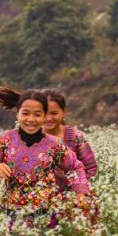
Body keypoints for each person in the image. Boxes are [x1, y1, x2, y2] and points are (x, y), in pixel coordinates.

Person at [0, 86, 90, 232]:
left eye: (37, 114)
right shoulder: (5, 139)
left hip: (45, 215)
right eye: (25, 113)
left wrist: (81, 192)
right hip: (12, 214)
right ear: (17, 114)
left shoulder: (54, 144)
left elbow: (75, 166)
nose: (31, 119)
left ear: (44, 116)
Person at [42, 89, 100, 226]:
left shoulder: (75, 136)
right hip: (43, 194)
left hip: (76, 193)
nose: (49, 118)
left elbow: (90, 167)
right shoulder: (32, 138)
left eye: (54, 113)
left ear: (64, 112)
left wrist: (75, 186)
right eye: (44, 113)